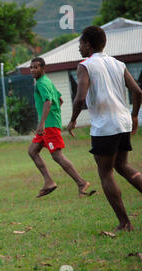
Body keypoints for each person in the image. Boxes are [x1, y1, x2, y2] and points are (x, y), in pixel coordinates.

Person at [68, 26, 142, 232]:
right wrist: (134, 115)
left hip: (105, 127)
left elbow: (80, 97)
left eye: (81, 43)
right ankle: (125, 222)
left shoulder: (85, 65)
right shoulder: (118, 63)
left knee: (106, 172)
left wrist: (73, 119)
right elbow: (137, 91)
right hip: (123, 122)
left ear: (88, 45)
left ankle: (125, 223)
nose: (79, 48)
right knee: (123, 166)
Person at [28, 57, 95, 198]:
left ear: (43, 68)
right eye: (31, 67)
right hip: (49, 123)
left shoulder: (41, 84)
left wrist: (43, 123)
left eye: (36, 67)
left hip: (48, 125)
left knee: (57, 156)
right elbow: (60, 99)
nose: (33, 70)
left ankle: (81, 182)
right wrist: (55, 113)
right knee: (33, 151)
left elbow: (48, 101)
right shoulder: (47, 82)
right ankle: (49, 182)